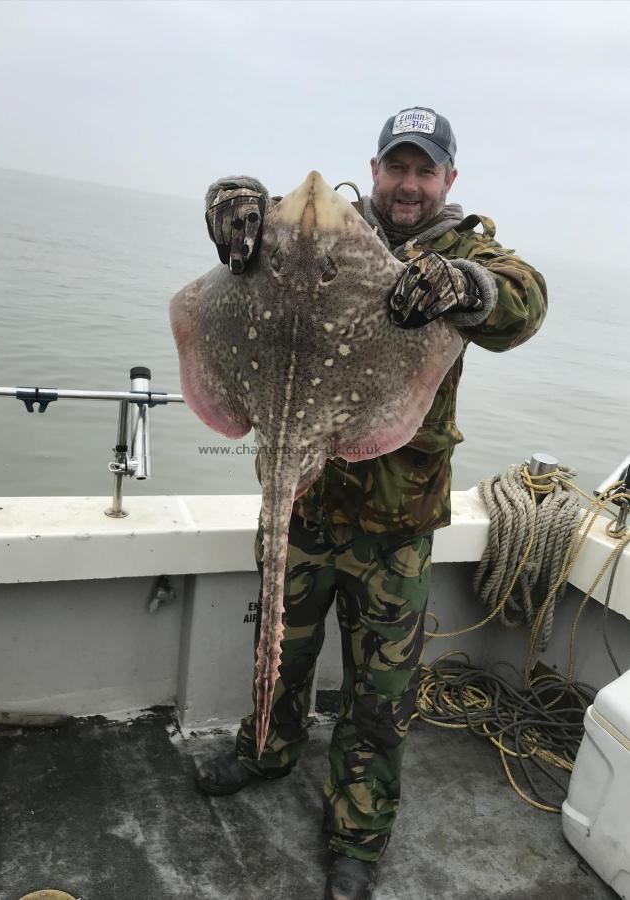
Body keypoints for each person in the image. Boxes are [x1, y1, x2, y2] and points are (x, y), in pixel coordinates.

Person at [195, 107, 547, 900]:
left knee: (378, 693)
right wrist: (231, 198)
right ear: (377, 168)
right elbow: (248, 225)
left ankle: (357, 834)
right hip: (302, 496)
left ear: (447, 180)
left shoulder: (461, 250)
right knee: (279, 648)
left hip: (395, 525)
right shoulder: (334, 234)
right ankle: (265, 750)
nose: (409, 183)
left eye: (425, 170)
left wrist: (469, 285)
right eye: (398, 166)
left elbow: (521, 303)